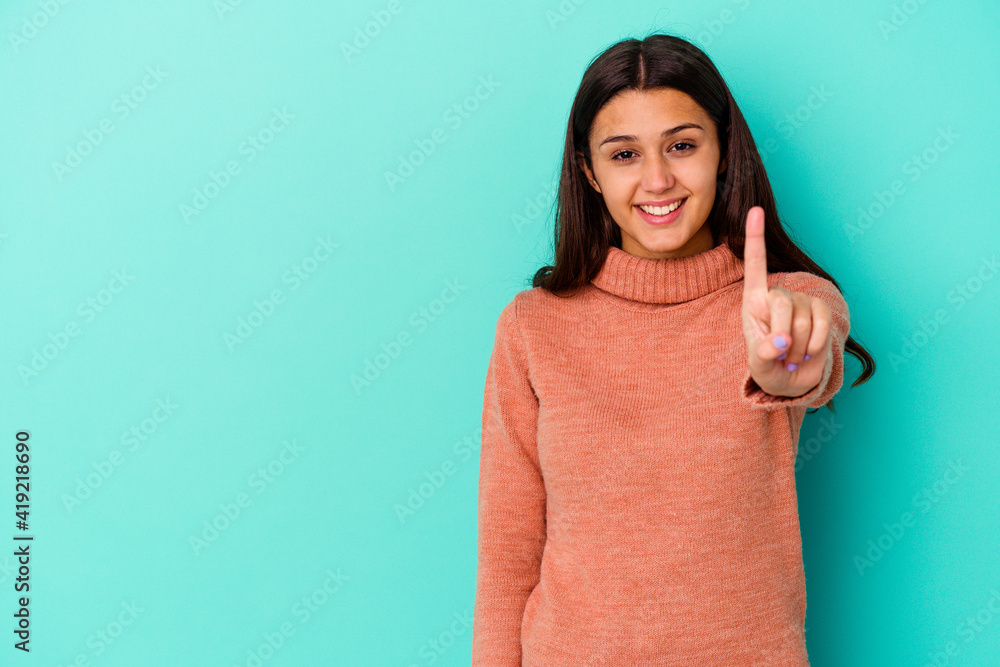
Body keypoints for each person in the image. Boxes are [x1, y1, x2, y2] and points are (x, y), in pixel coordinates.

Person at [471, 33, 876, 665]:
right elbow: (506, 552)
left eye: (682, 146)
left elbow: (807, 354)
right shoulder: (532, 327)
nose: (657, 179)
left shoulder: (785, 301)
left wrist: (788, 369)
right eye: (624, 153)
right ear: (590, 171)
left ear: (721, 153)